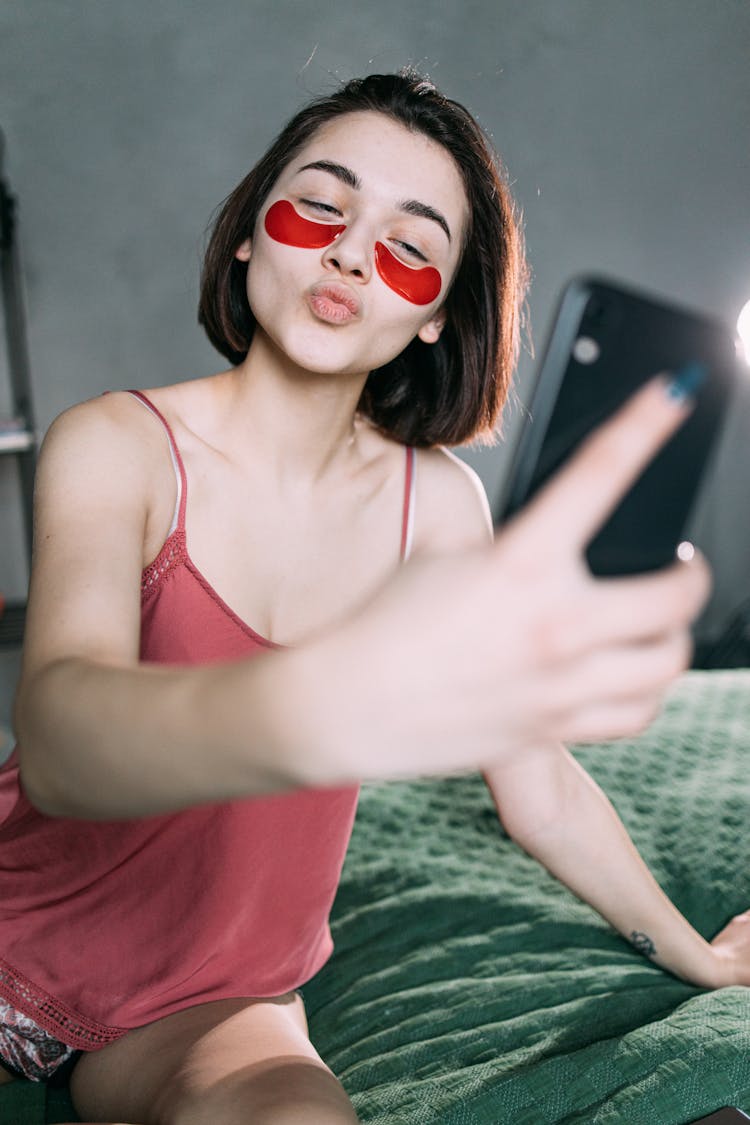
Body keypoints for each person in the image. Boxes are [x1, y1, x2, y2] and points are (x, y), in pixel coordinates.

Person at [0, 70, 747, 1125]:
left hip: (206, 998)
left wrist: (701, 960)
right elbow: (65, 745)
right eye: (321, 204)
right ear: (252, 232)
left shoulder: (439, 512)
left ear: (438, 314)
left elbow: (538, 786)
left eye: (411, 244)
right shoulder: (115, 446)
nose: (353, 250)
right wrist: (319, 708)